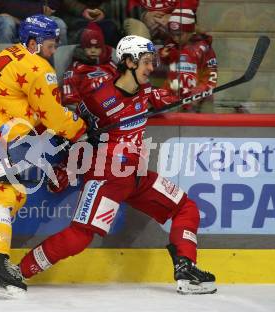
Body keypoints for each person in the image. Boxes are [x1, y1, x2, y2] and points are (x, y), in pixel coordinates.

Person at [19, 35, 217, 295]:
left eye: (152, 62)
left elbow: (169, 97)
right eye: (146, 62)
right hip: (107, 176)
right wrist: (68, 167)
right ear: (128, 62)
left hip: (137, 176)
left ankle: (186, 268)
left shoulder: (146, 91)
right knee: (80, 235)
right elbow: (74, 134)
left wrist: (194, 88)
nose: (151, 68)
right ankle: (19, 271)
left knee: (186, 207)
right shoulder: (97, 97)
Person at [0, 14, 87, 296]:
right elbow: (54, 117)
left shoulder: (13, 54)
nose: (54, 48)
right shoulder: (37, 66)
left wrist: (64, 124)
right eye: (50, 43)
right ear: (33, 41)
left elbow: (34, 112)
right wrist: (80, 126)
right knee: (4, 191)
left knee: (16, 193)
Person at [159, 9, 218, 112]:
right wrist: (162, 56)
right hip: (173, 98)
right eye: (173, 34)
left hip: (199, 99)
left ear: (190, 31)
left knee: (205, 123)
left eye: (179, 34)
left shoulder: (203, 48)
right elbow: (160, 67)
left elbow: (211, 74)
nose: (175, 38)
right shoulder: (170, 46)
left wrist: (200, 91)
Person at [62, 22, 116, 107]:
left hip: (116, 106)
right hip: (90, 111)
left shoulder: (111, 65)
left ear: (103, 48)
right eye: (89, 47)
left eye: (97, 47)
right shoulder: (75, 70)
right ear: (83, 48)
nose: (93, 50)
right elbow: (71, 100)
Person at [0, 0, 68, 45]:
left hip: (34, 20)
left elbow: (52, 4)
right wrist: (38, 10)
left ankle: (58, 73)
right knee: (6, 23)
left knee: (59, 24)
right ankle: (3, 66)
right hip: (6, 17)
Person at [124, 0, 199, 41]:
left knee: (185, 26)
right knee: (137, 29)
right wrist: (144, 15)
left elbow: (189, 4)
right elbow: (131, 6)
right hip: (143, 21)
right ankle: (141, 65)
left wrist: (173, 16)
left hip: (173, 19)